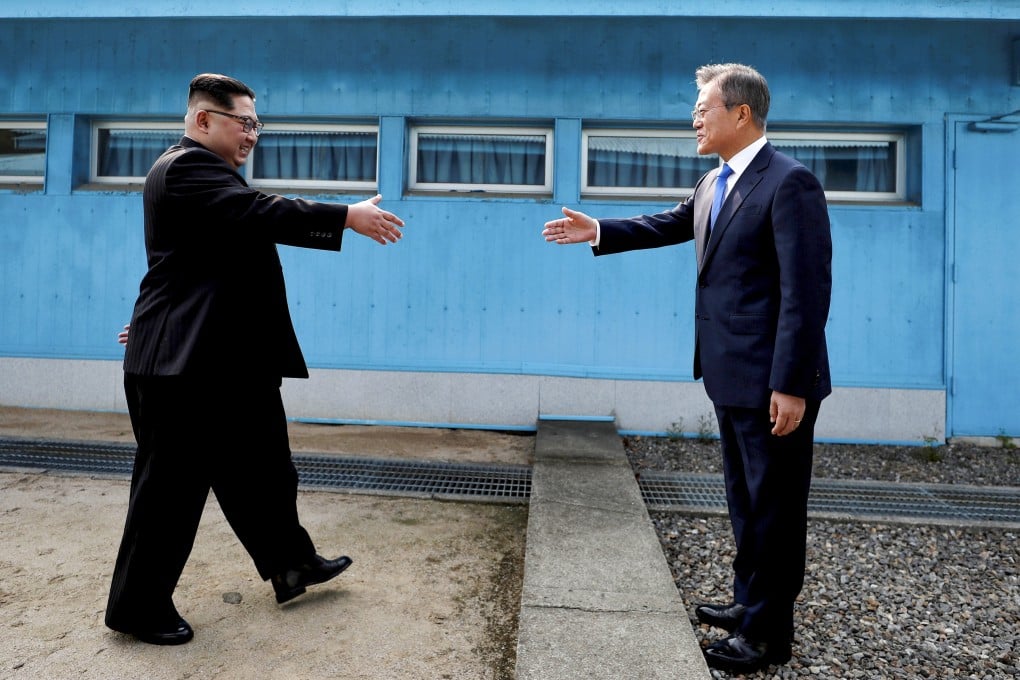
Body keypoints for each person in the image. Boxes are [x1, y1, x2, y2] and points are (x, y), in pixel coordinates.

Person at [542, 63, 831, 674]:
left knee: (775, 510)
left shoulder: (790, 183)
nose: (694, 118)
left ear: (742, 113)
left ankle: (767, 636)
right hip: (728, 373)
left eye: (704, 107)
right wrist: (599, 229)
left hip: (774, 382)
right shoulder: (713, 183)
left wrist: (790, 384)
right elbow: (668, 224)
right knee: (745, 501)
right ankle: (748, 602)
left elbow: (807, 294)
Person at [105, 73, 405, 646]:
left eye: (256, 125)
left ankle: (292, 565)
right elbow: (262, 211)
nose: (252, 135)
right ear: (203, 121)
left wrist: (156, 320)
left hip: (220, 359)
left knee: (265, 471)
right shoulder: (187, 166)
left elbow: (194, 267)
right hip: (184, 372)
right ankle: (137, 607)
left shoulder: (212, 178)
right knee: (169, 493)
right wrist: (345, 215)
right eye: (243, 122)